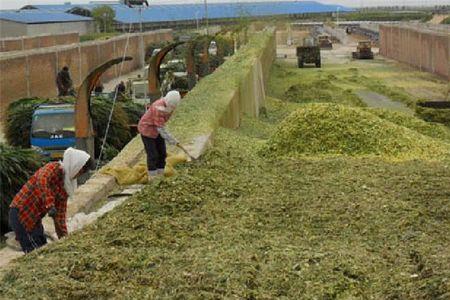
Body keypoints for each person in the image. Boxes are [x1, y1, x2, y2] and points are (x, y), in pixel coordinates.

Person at [9, 148, 91, 253]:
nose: (80, 173)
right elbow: (42, 181)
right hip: (21, 214)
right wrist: (50, 205)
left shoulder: (65, 187)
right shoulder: (53, 168)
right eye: (81, 169)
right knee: (34, 252)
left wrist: (66, 241)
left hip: (35, 219)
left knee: (43, 247)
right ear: (75, 164)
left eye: (83, 172)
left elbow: (60, 217)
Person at [138, 91, 181, 181]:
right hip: (147, 130)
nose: (173, 108)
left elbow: (162, 125)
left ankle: (160, 174)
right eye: (172, 106)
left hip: (157, 130)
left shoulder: (168, 107)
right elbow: (161, 129)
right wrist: (172, 140)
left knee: (162, 153)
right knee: (153, 154)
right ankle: (152, 176)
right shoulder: (158, 108)